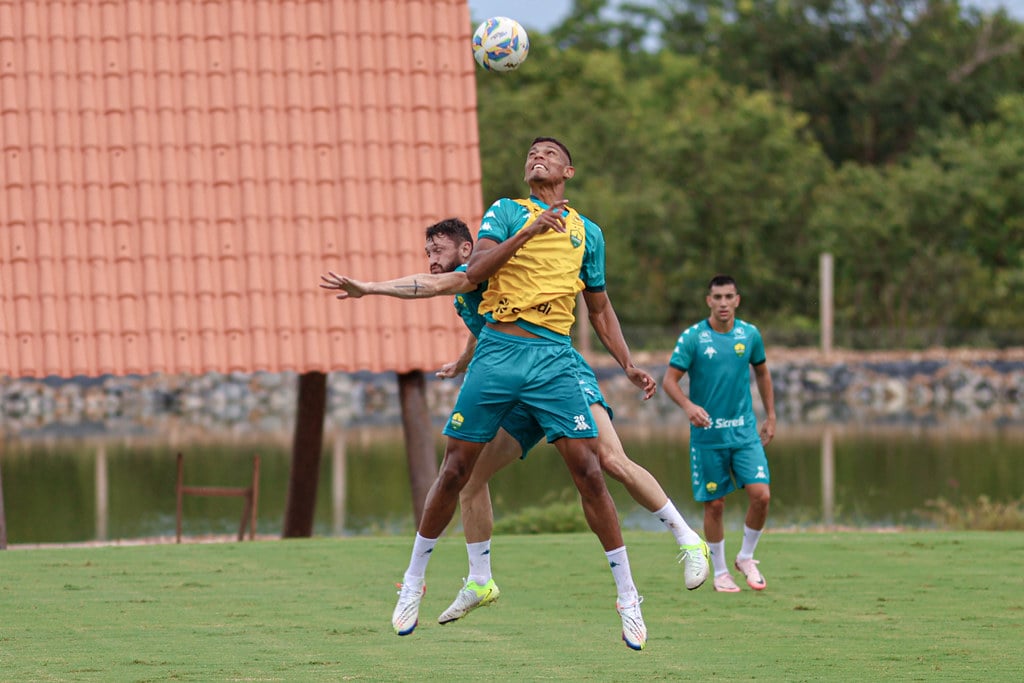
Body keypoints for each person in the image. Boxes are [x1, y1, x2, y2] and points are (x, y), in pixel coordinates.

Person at [326, 138, 657, 650]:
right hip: (500, 355)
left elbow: (600, 307)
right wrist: (370, 288)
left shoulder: (587, 233)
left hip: (552, 360)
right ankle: (413, 582)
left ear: (568, 169)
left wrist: (629, 363)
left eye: (547, 152)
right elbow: (470, 275)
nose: (535, 157)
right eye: (529, 152)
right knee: (455, 471)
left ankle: (629, 598)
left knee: (592, 472)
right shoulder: (505, 211)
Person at [322, 217, 709, 624]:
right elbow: (485, 326)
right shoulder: (466, 294)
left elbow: (433, 285)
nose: (431, 259)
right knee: (468, 479)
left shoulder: (493, 270)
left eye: (438, 251)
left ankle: (687, 539)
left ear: (467, 251)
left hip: (558, 373)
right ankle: (480, 581)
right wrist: (462, 361)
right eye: (427, 253)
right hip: (513, 384)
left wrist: (369, 288)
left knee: (611, 462)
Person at [662, 274, 777, 593]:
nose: (723, 303)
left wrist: (771, 416)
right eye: (717, 297)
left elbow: (763, 373)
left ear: (737, 300)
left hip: (743, 433)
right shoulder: (693, 338)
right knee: (715, 505)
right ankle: (721, 572)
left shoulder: (750, 334)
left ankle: (746, 557)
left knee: (762, 495)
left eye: (729, 297)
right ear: (708, 301)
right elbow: (669, 381)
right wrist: (688, 406)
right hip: (708, 436)